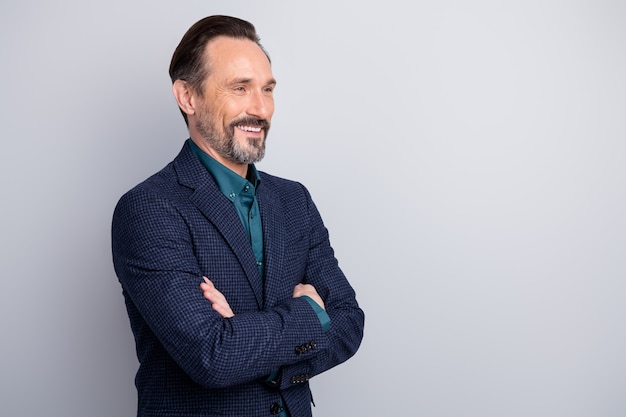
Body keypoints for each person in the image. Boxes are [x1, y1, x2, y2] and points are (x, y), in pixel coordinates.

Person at [111, 15, 365, 417]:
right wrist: (310, 315)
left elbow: (349, 323)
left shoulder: (294, 200)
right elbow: (212, 354)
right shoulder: (149, 209)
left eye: (267, 89)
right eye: (240, 88)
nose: (261, 108)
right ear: (187, 97)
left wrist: (247, 340)